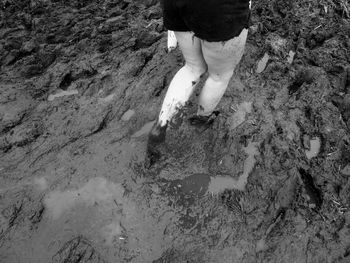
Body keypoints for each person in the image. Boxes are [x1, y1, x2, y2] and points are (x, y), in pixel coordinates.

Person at [147, 0, 251, 163]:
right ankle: (201, 121)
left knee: (192, 68)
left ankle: (161, 125)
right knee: (219, 76)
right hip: (219, 8)